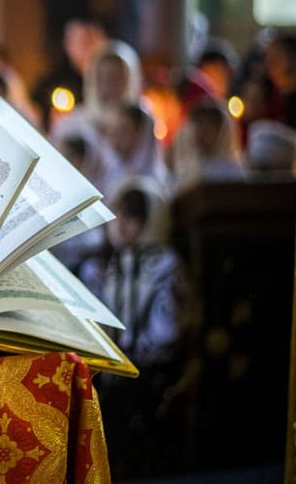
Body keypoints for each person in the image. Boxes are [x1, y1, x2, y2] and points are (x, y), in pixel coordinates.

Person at [81, 177, 191, 479]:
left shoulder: (165, 262)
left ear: (150, 221)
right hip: (111, 368)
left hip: (152, 367)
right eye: (118, 214)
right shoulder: (101, 265)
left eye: (132, 217)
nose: (121, 225)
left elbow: (167, 326)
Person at [170, 102, 244, 192]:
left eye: (208, 126)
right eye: (199, 125)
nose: (201, 132)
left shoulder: (232, 171)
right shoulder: (185, 168)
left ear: (221, 132)